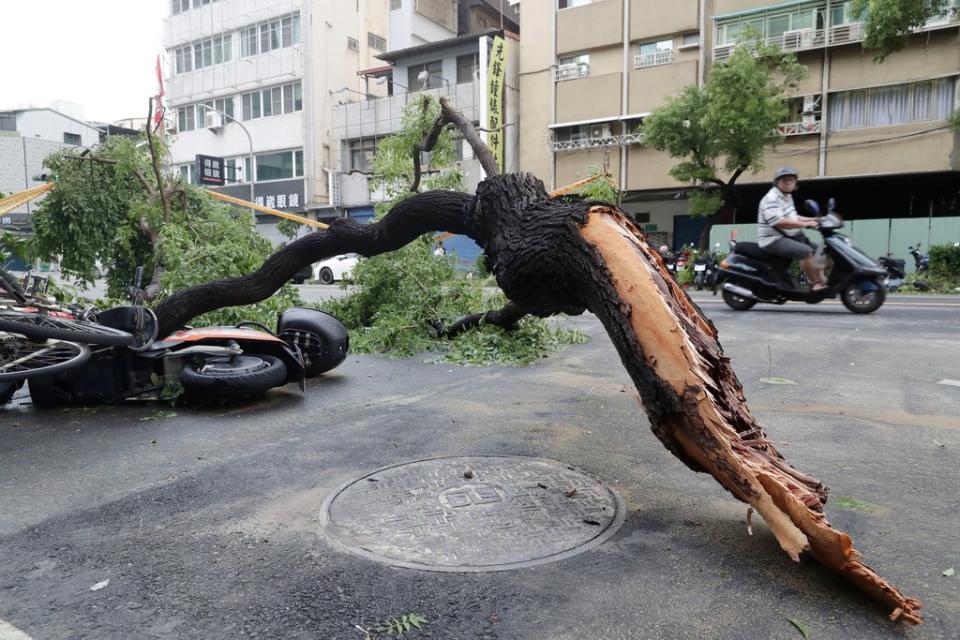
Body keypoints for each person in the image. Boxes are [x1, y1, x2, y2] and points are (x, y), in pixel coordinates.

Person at [757, 167, 827, 291]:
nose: (788, 182)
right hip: (772, 239)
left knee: (820, 250)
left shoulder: (787, 197)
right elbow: (779, 222)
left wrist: (815, 219)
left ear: (795, 182)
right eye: (784, 180)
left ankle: (822, 280)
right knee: (805, 252)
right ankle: (815, 283)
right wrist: (806, 224)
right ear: (777, 182)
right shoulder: (772, 198)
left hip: (788, 236)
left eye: (791, 179)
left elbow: (794, 217)